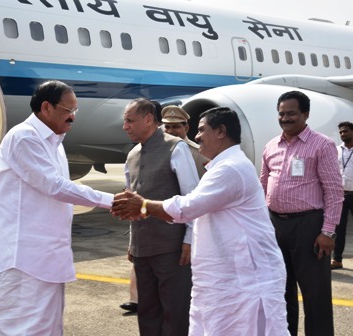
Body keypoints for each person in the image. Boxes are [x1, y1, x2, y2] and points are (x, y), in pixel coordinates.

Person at [113, 107, 289, 336]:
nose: (196, 137)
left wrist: (144, 205)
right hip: (225, 279)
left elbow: (187, 207)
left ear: (221, 132)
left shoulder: (230, 169)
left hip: (244, 279)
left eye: (202, 130)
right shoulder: (222, 166)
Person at [0, 80, 114, 335]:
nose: (73, 118)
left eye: (75, 111)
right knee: (19, 326)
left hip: (48, 256)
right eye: (68, 111)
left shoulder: (54, 143)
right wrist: (112, 200)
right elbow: (54, 186)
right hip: (24, 258)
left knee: (47, 327)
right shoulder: (24, 137)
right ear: (46, 107)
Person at [260, 90, 344, 336]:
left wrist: (328, 232)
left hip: (309, 227)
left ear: (305, 115)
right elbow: (262, 186)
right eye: (281, 113)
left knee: (315, 294)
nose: (285, 118)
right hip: (276, 226)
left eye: (291, 113)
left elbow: (334, 192)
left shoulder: (322, 145)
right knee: (281, 291)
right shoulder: (271, 146)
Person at [121, 98, 199, 336]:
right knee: (147, 312)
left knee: (174, 311)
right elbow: (131, 204)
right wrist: (132, 242)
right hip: (143, 248)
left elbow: (191, 198)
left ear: (148, 119)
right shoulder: (132, 155)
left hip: (172, 247)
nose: (125, 126)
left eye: (129, 121)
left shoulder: (176, 148)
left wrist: (189, 239)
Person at [161, 105, 209, 177]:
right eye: (167, 127)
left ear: (186, 128)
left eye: (175, 127)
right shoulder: (159, 150)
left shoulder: (199, 153)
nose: (170, 131)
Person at [332, 121, 353, 269]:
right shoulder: (336, 150)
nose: (343, 134)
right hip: (340, 194)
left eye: (345, 131)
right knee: (339, 229)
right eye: (341, 132)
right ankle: (337, 259)